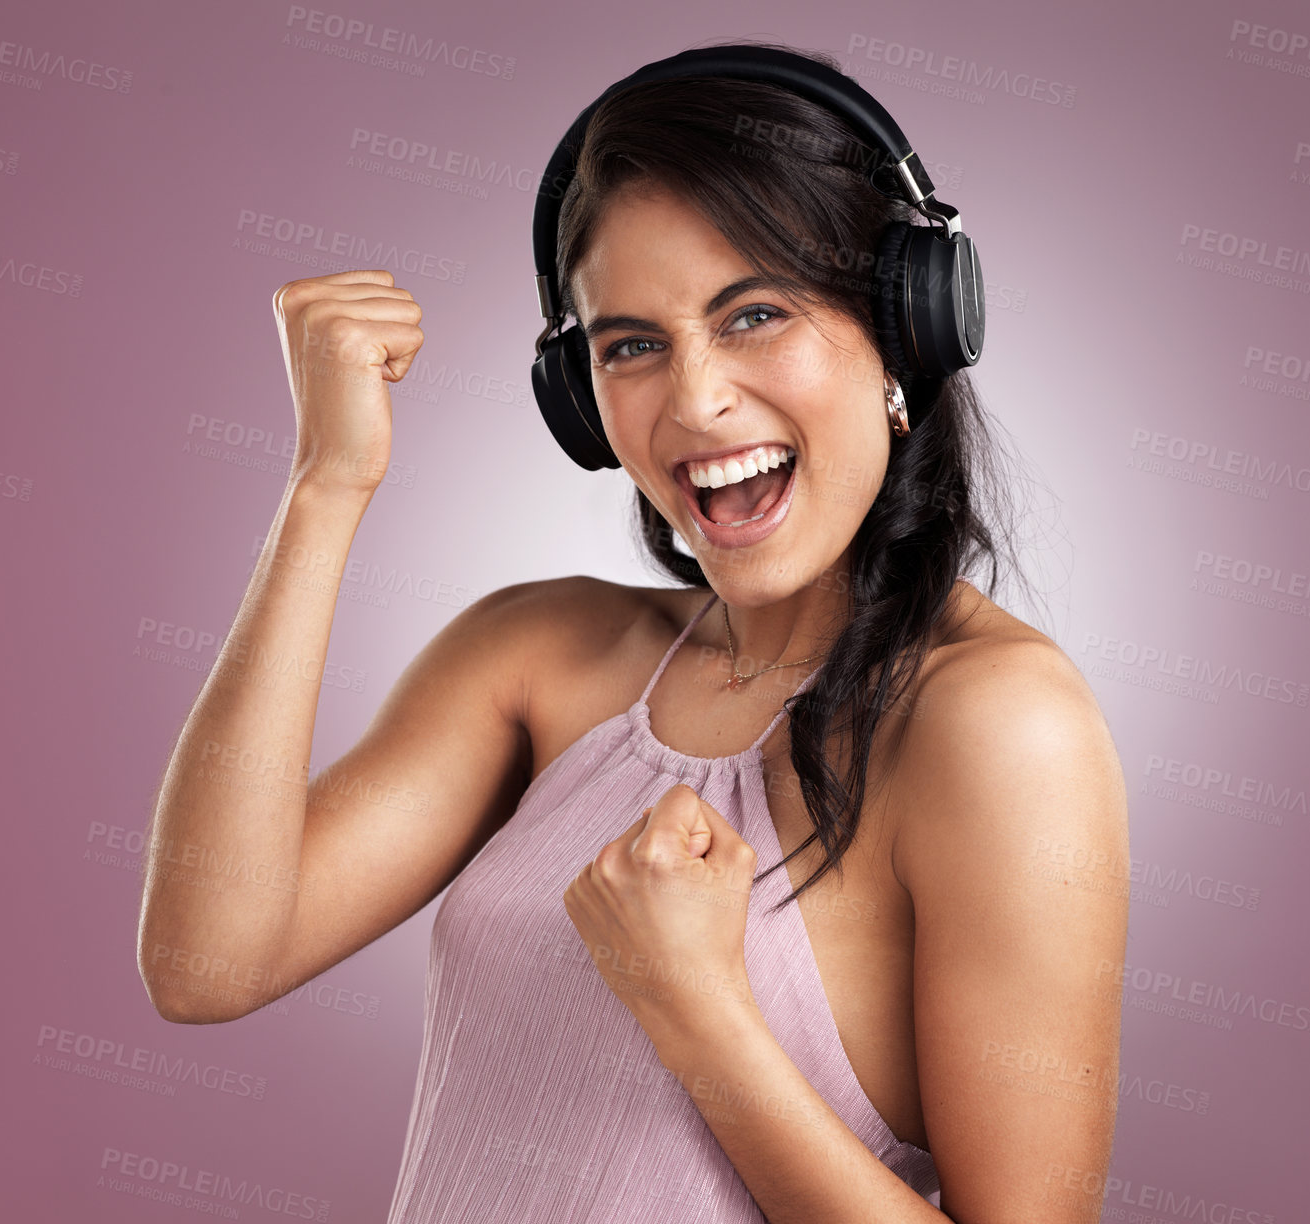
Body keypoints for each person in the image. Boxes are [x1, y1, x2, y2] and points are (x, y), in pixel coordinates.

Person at [138, 38, 1129, 1224]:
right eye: (632, 345)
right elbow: (207, 962)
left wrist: (694, 1005)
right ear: (580, 396)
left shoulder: (999, 727)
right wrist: (325, 483)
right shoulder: (540, 654)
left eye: (754, 313)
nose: (696, 400)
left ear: (906, 329)